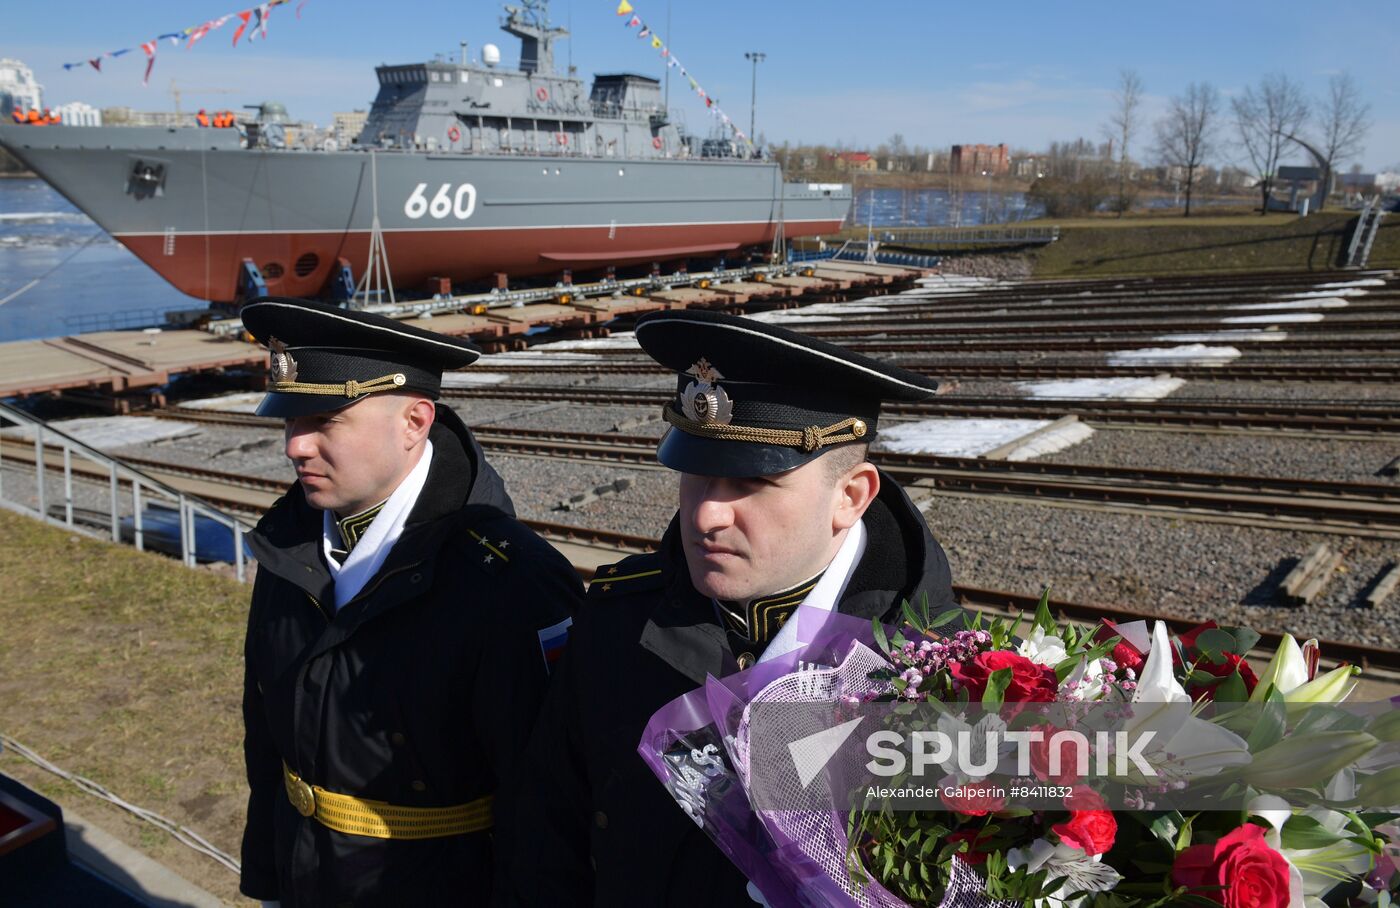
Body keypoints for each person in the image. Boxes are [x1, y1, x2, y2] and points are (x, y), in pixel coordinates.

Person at [514, 309, 965, 906]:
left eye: (752, 484)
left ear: (850, 496)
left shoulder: (955, 679)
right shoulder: (617, 625)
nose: (704, 516)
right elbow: (545, 840)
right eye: (695, 475)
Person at [236, 297, 583, 906]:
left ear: (415, 421)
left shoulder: (509, 583)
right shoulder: (288, 540)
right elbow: (266, 734)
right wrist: (268, 881)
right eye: (290, 420)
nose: (294, 446)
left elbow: (547, 811)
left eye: (323, 420)